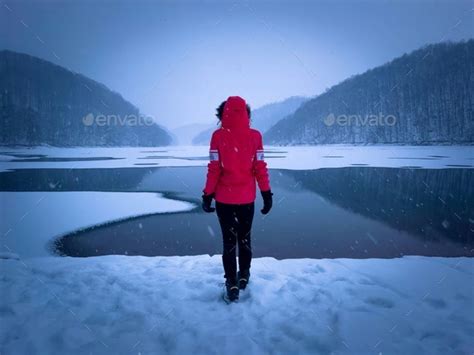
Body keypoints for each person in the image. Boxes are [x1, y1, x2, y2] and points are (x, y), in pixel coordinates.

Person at [202, 96, 273, 302]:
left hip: (224, 200)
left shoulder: (217, 137)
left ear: (222, 114)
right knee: (245, 238)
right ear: (246, 114)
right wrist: (266, 193)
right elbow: (260, 166)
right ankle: (244, 275)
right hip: (246, 200)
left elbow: (214, 169)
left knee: (228, 242)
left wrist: (208, 195)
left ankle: (231, 282)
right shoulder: (255, 136)